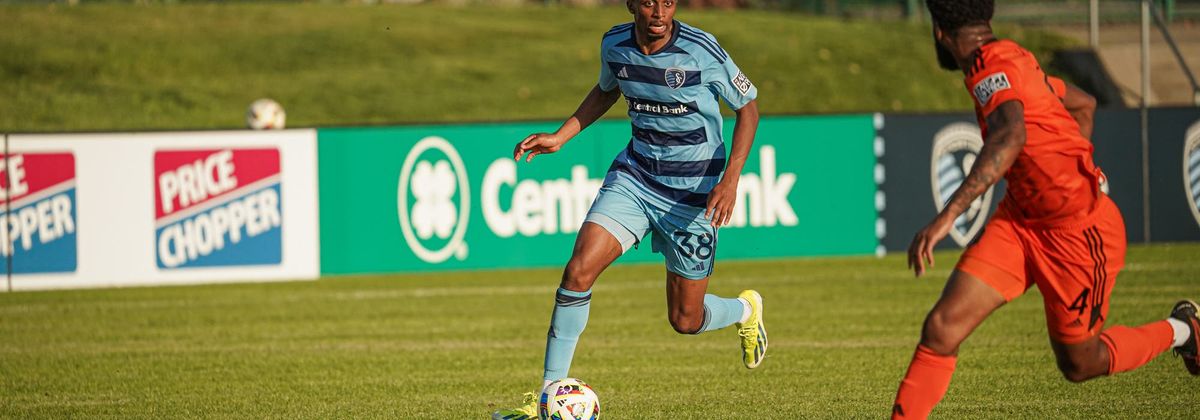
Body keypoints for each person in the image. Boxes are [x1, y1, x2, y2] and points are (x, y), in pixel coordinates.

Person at [891, 1, 1200, 418]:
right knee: (942, 328)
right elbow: (1083, 104)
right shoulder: (1013, 60)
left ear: (939, 31)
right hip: (1020, 223)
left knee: (1080, 363)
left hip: (1077, 234)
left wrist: (948, 216)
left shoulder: (988, 66)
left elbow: (1009, 136)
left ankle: (1185, 331)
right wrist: (1073, 162)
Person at [493, 0, 765, 418]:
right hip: (636, 179)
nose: (659, 11)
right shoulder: (615, 43)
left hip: (693, 195)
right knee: (578, 270)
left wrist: (730, 180)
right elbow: (607, 89)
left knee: (686, 319)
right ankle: (548, 393)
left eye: (668, 2)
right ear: (631, 4)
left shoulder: (702, 50)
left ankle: (746, 309)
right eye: (649, 1)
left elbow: (747, 108)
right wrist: (562, 136)